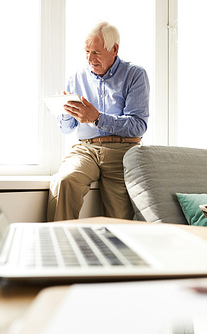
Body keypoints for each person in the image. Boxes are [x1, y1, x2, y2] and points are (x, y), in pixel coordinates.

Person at [47, 21, 149, 221]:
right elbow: (67, 129)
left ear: (114, 49)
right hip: (86, 149)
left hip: (122, 151)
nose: (90, 59)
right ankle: (59, 245)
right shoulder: (77, 78)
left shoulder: (135, 75)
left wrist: (97, 118)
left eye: (96, 52)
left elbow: (138, 125)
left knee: (119, 217)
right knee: (64, 181)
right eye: (86, 51)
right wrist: (66, 111)